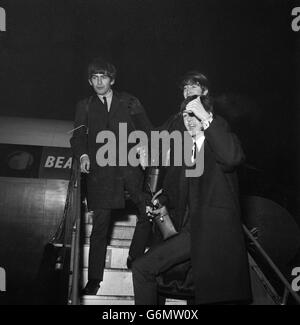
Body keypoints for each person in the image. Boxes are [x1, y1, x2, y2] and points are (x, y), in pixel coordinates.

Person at [131, 71, 252, 305]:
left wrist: (206, 119)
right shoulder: (183, 150)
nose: (188, 120)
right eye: (185, 115)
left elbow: (232, 157)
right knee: (143, 268)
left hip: (212, 232)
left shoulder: (219, 136)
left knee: (202, 292)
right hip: (187, 231)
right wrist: (159, 205)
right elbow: (171, 189)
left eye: (193, 114)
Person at [70, 57, 153, 295]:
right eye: (94, 78)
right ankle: (94, 280)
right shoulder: (84, 106)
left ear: (112, 80)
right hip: (101, 173)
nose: (99, 82)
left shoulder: (129, 102)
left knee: (146, 210)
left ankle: (135, 256)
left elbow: (146, 130)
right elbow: (77, 137)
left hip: (129, 168)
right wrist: (83, 156)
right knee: (99, 227)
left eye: (103, 77)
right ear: (89, 81)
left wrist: (141, 146)